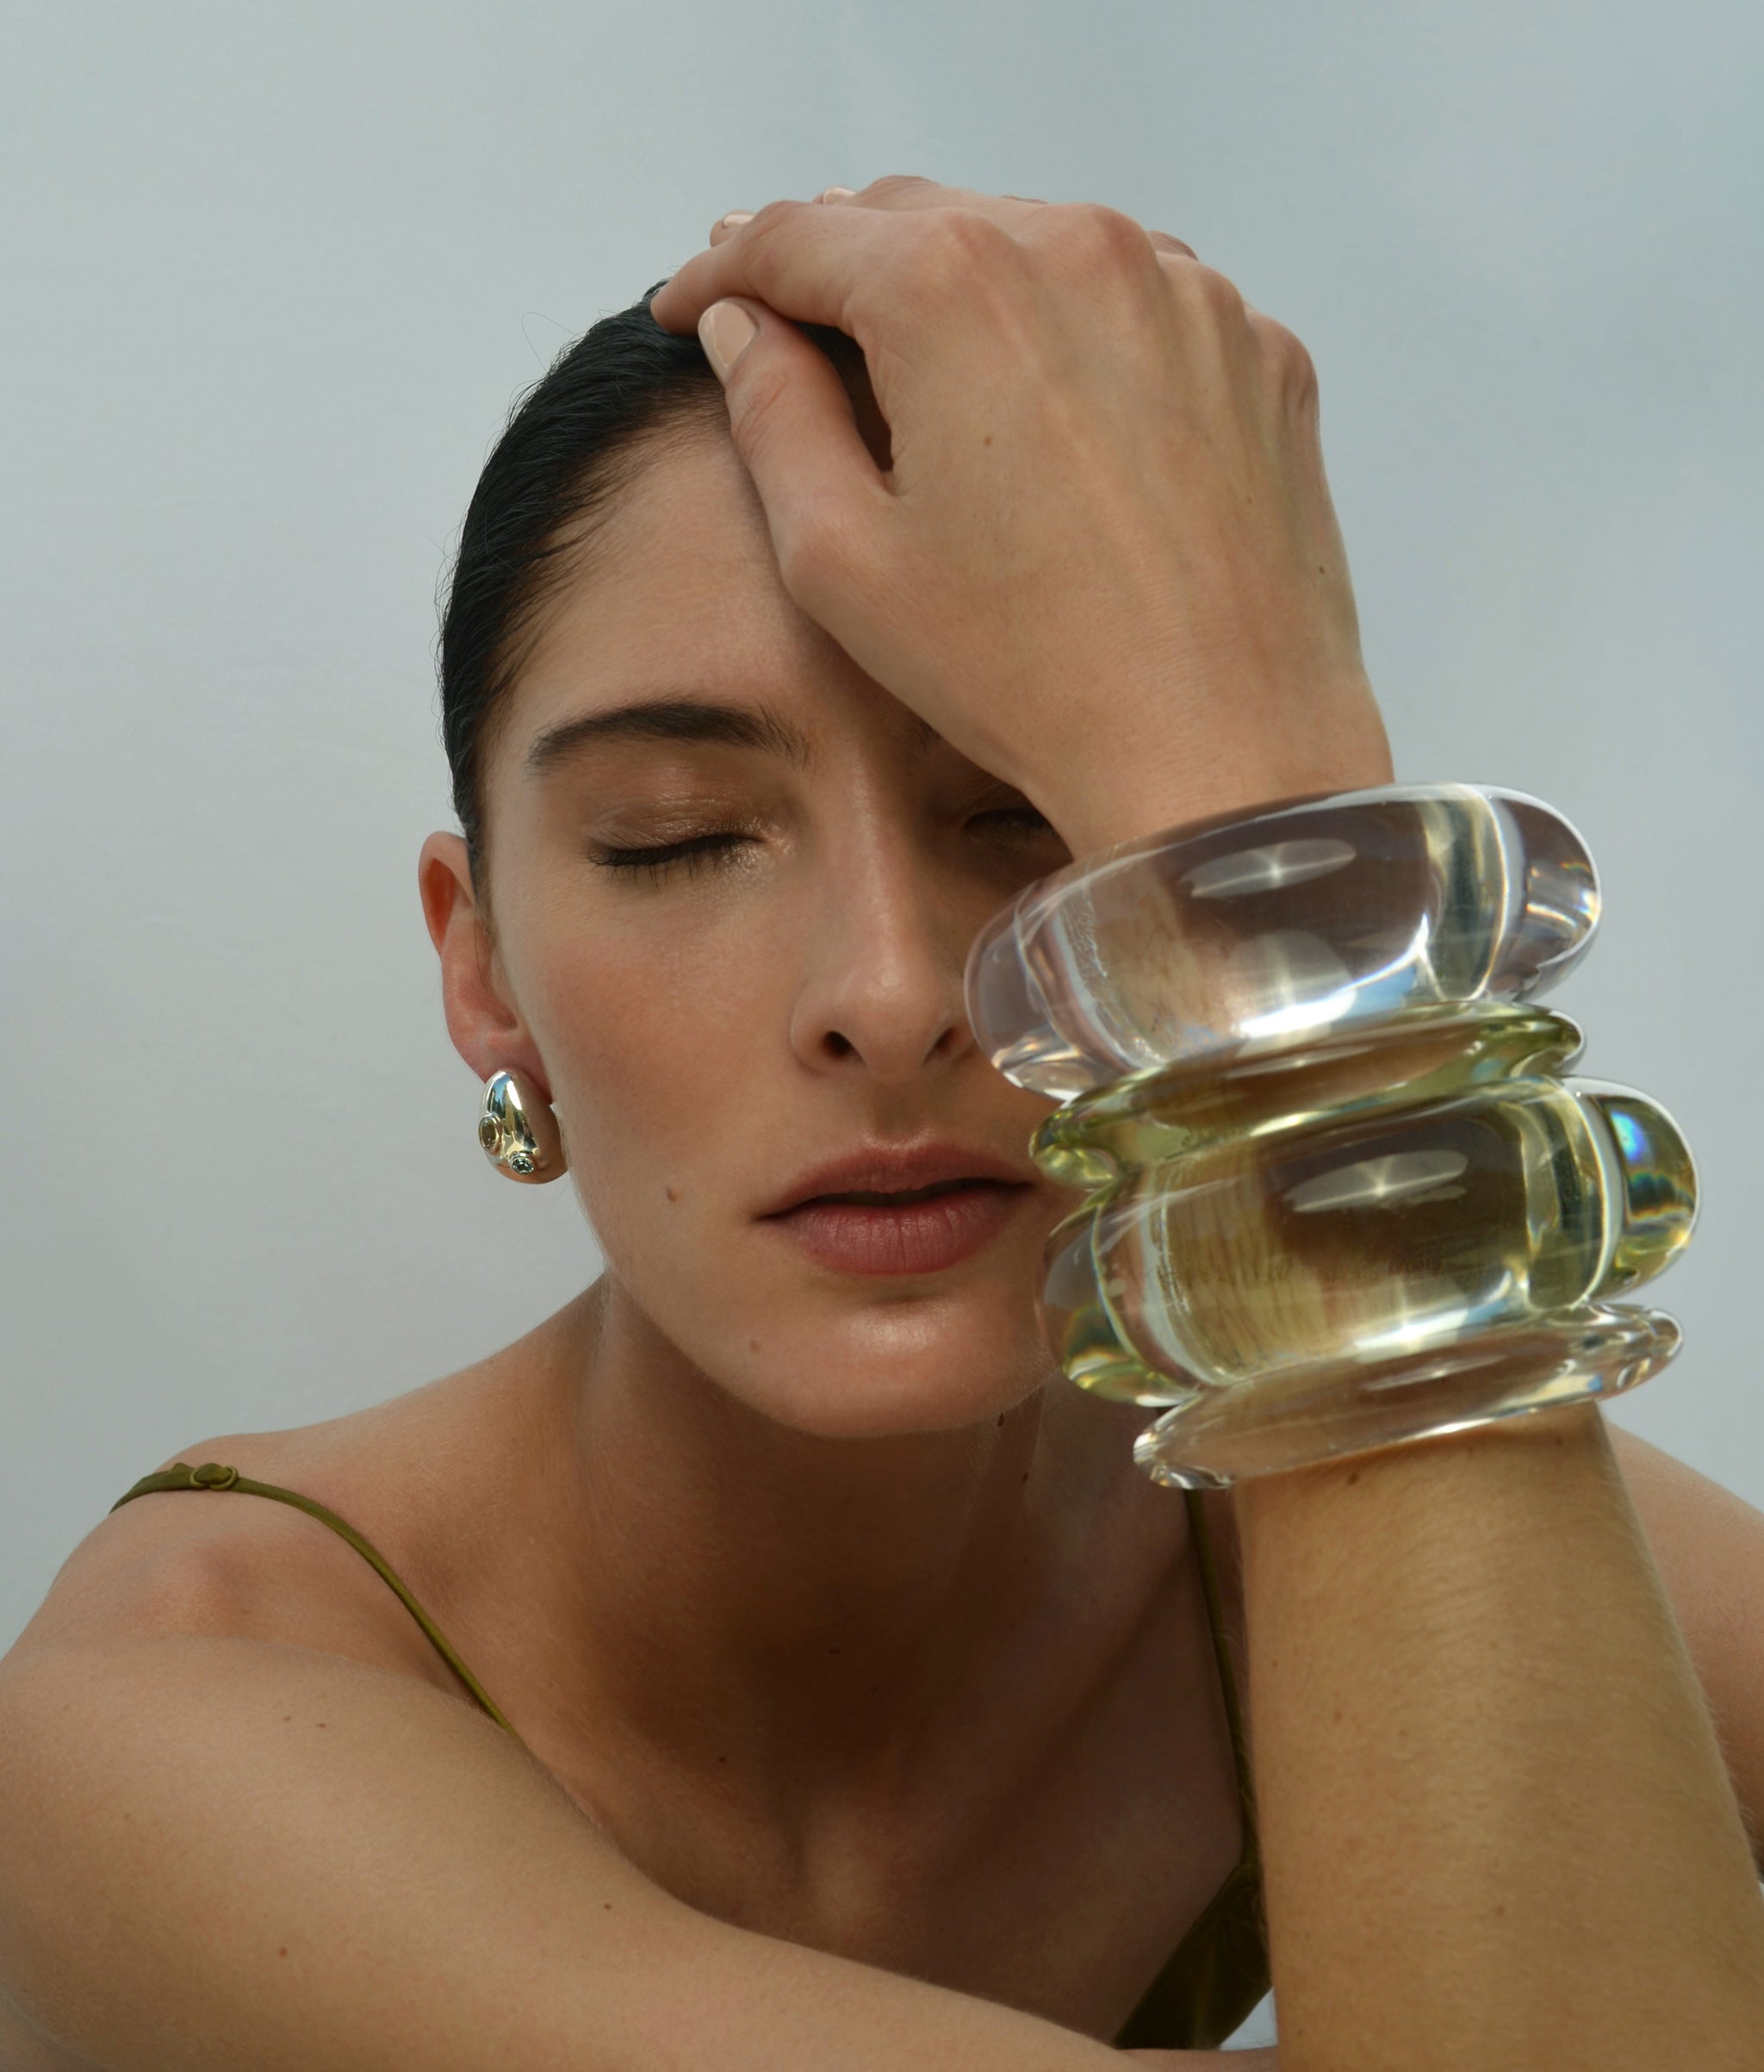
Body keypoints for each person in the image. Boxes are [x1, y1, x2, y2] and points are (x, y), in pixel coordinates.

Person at [2, 177, 1761, 2072]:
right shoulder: (161, 1713)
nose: (893, 990)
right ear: (484, 968)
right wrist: (1291, 848)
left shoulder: (1281, 1509)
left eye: (1029, 812)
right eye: (678, 837)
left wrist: (1239, 772)